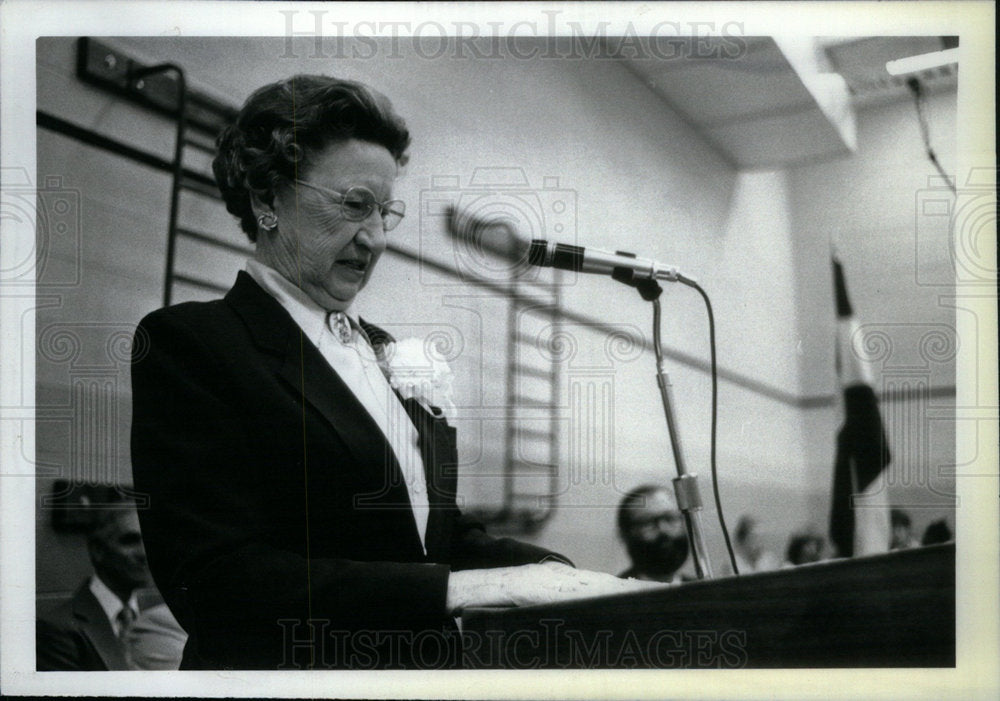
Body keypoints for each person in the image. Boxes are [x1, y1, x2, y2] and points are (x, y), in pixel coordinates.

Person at [130, 74, 651, 671]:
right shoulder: (195, 343)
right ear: (268, 200)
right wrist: (454, 590)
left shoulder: (385, 353)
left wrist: (566, 577)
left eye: (385, 212)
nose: (375, 238)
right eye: (353, 205)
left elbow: (437, 536)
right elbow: (215, 579)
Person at [36, 508, 150, 670]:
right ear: (98, 551)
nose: (144, 553)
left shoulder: (155, 616)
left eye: (149, 541)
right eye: (129, 541)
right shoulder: (57, 629)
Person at [616, 485, 692, 584]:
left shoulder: (703, 592)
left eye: (670, 518)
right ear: (625, 535)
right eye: (647, 522)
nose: (663, 529)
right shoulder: (612, 596)